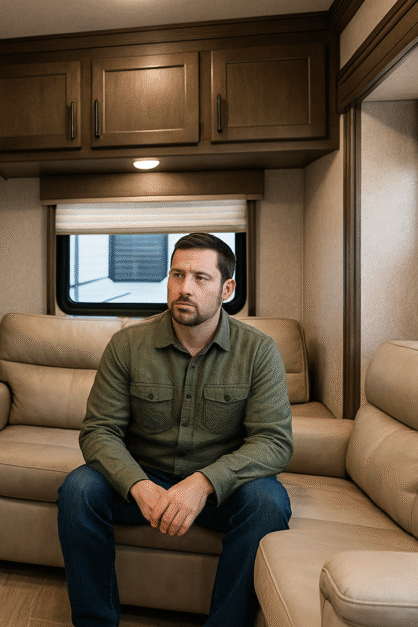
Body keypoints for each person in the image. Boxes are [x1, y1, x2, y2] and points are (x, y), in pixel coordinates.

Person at [56, 232, 293, 627]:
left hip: (221, 488)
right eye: (176, 275)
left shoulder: (259, 351)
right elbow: (99, 431)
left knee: (269, 501)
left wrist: (202, 483)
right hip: (143, 477)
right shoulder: (127, 345)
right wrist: (138, 485)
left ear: (227, 289)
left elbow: (274, 441)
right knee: (78, 489)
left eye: (201, 278)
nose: (184, 288)